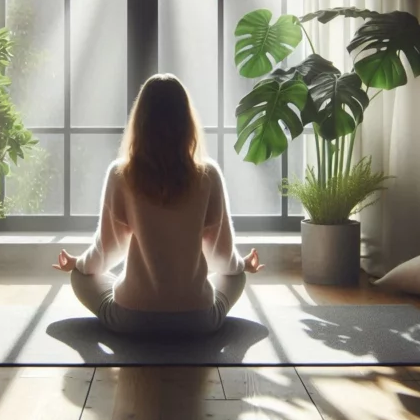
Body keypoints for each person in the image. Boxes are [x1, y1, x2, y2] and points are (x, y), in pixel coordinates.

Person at [52, 73, 264, 335]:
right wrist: (242, 264)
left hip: (132, 319)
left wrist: (79, 264)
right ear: (187, 122)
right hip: (197, 321)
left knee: (80, 277)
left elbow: (108, 250)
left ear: (139, 122)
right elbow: (221, 258)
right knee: (236, 276)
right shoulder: (208, 176)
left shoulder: (121, 175)